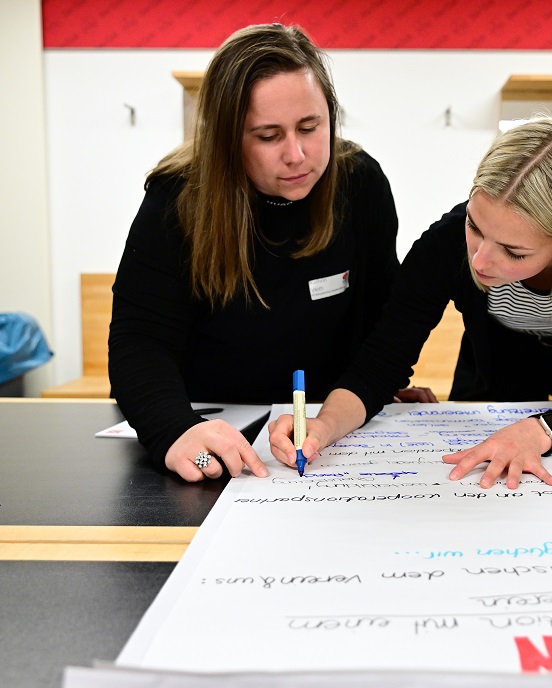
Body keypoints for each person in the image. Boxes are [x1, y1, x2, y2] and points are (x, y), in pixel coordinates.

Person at [269, 117, 552, 489]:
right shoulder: (445, 242)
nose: (480, 261)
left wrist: (538, 432)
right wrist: (323, 425)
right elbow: (377, 368)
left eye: (514, 252)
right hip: (498, 392)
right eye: (475, 226)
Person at [109, 24, 432, 483]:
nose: (297, 155)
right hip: (205, 424)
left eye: (310, 127)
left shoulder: (360, 183)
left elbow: (383, 324)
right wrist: (174, 429)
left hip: (321, 432)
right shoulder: (177, 197)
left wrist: (369, 391)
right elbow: (139, 340)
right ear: (227, 140)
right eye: (267, 136)